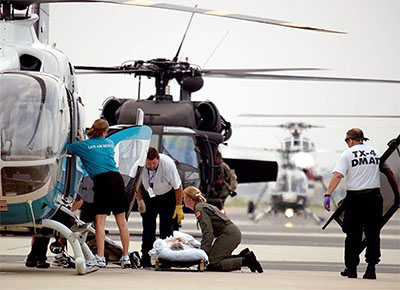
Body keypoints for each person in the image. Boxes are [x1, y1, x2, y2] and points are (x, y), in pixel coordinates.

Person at [323, 128, 399, 280]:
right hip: (374, 198)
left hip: (355, 199)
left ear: (350, 140)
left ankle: (351, 269)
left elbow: (338, 175)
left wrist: (328, 194)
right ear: (363, 139)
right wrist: (397, 195)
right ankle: (371, 268)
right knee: (372, 234)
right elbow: (389, 173)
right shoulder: (375, 153)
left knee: (352, 235)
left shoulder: (347, 154)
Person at [67, 119, 131, 269]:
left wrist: (81, 140)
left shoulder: (83, 146)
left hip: (102, 182)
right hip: (117, 180)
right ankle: (126, 257)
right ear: (104, 132)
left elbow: (70, 149)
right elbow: (95, 149)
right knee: (122, 222)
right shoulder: (109, 143)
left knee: (100, 222)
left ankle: (100, 257)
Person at [183, 186, 263, 273]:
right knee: (213, 259)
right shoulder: (201, 207)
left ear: (188, 198)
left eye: (184, 197)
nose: (183, 200)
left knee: (213, 264)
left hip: (229, 235)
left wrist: (203, 253)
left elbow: (208, 232)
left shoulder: (200, 209)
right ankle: (244, 256)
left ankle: (246, 261)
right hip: (230, 233)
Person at [136, 147, 184, 267]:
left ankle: (166, 258)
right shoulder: (140, 165)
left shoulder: (168, 165)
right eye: (149, 163)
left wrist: (179, 206)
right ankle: (146, 258)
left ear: (158, 159)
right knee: (148, 227)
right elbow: (136, 185)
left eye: (154, 163)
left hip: (167, 196)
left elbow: (178, 188)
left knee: (166, 228)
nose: (151, 166)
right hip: (149, 195)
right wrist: (140, 200)